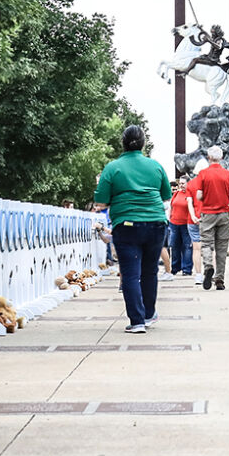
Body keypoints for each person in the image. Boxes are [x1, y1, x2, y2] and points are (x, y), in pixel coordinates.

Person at [92, 124, 172, 333]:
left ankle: (136, 321)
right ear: (143, 144)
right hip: (155, 222)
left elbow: (100, 200)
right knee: (150, 271)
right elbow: (166, 195)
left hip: (126, 225)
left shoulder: (112, 167)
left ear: (123, 143)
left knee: (129, 274)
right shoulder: (155, 166)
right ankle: (148, 315)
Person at [190, 145, 229, 291]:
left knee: (206, 244)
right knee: (221, 248)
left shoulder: (203, 174)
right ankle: (220, 280)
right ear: (221, 157)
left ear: (209, 158)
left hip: (208, 213)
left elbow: (199, 195)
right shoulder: (227, 174)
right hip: (223, 214)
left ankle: (208, 265)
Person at [165, 171, 195, 276]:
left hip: (186, 224)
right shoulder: (177, 193)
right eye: (180, 183)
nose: (181, 185)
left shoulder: (191, 194)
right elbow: (171, 206)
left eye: (183, 183)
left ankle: (187, 269)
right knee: (174, 246)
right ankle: (175, 267)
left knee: (187, 246)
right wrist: (170, 217)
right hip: (174, 223)